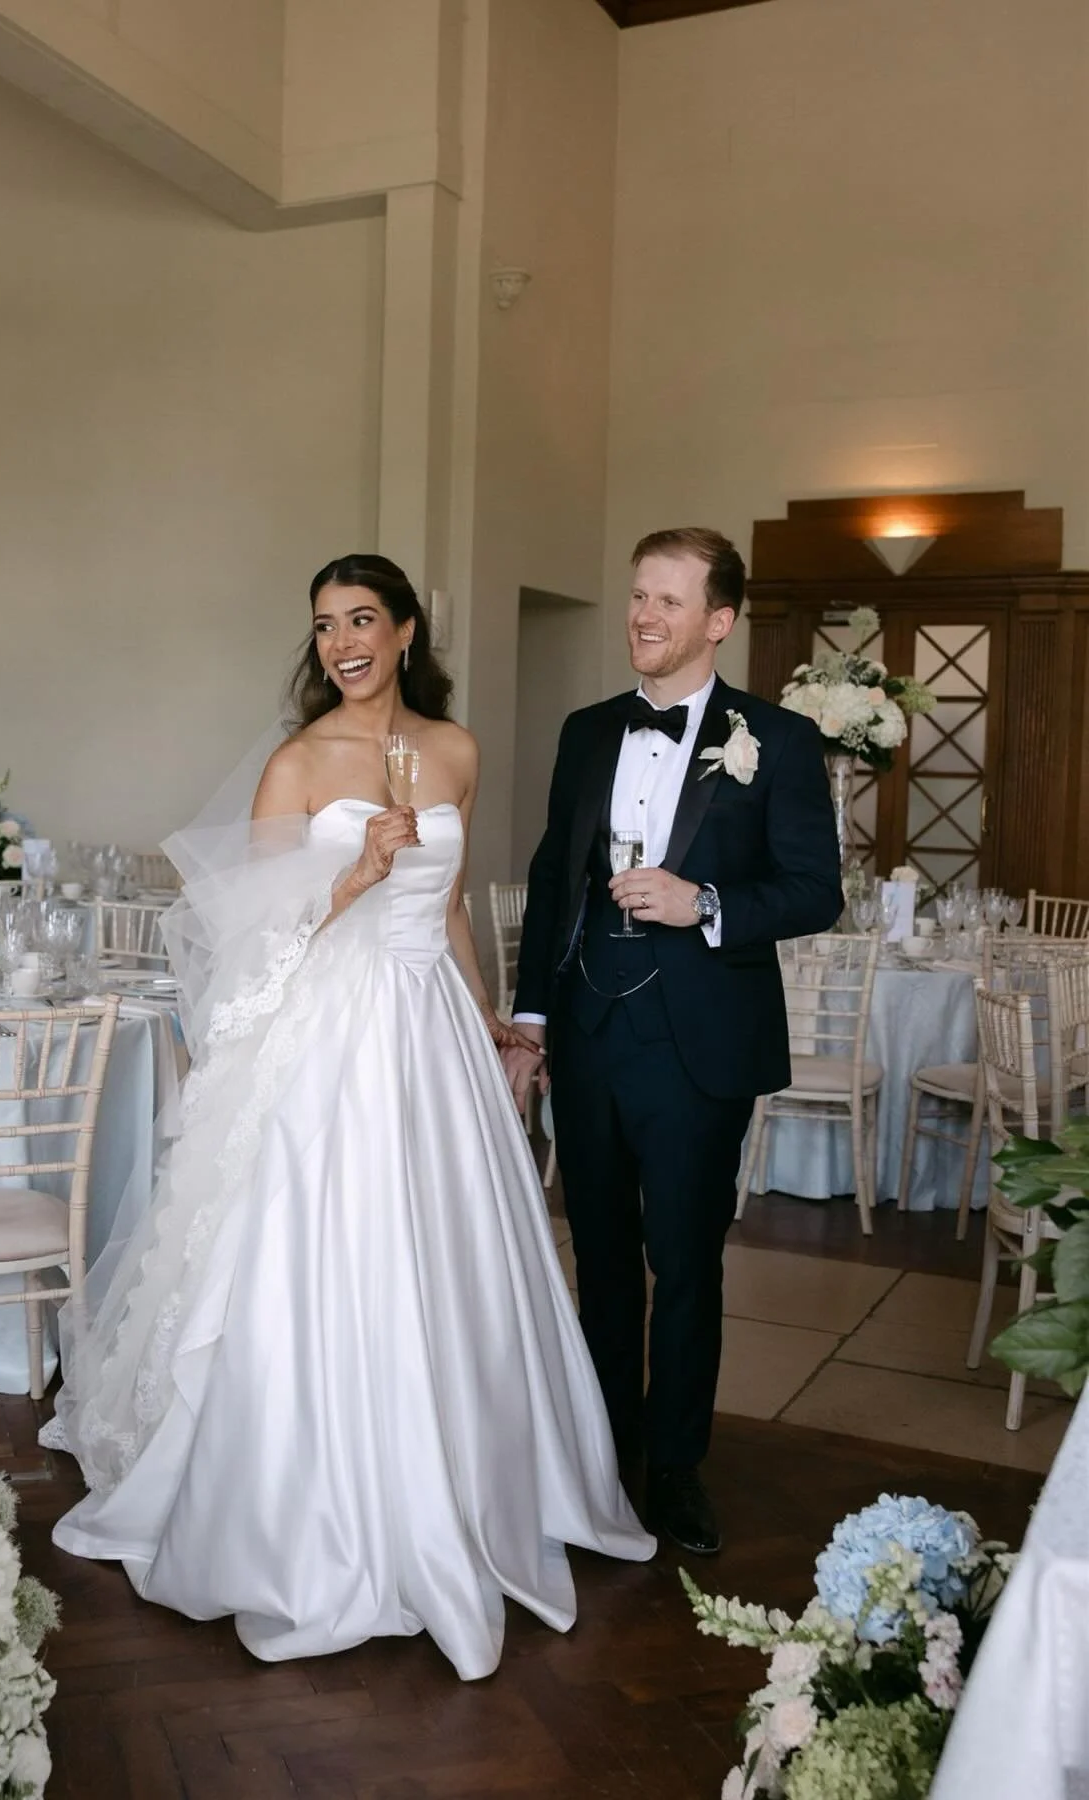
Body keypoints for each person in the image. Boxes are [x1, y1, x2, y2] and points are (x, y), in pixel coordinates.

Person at [45, 552, 654, 1681]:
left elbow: (457, 904)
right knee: (327, 1251)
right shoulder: (296, 763)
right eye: (325, 626)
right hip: (330, 1040)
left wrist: (486, 1018)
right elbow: (241, 952)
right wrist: (350, 879)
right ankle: (318, 1510)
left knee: (457, 1253)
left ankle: (478, 1485)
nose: (342, 642)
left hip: (432, 1036)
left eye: (362, 619)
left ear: (407, 630)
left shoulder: (459, 752)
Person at [503, 529, 842, 1557]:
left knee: (685, 1262)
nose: (643, 617)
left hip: (700, 1042)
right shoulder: (585, 730)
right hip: (595, 1029)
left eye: (668, 601)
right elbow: (557, 873)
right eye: (638, 596)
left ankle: (678, 1466)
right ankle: (606, 1447)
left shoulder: (774, 741)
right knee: (598, 1255)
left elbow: (814, 891)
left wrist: (704, 903)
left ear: (719, 622)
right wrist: (533, 1018)